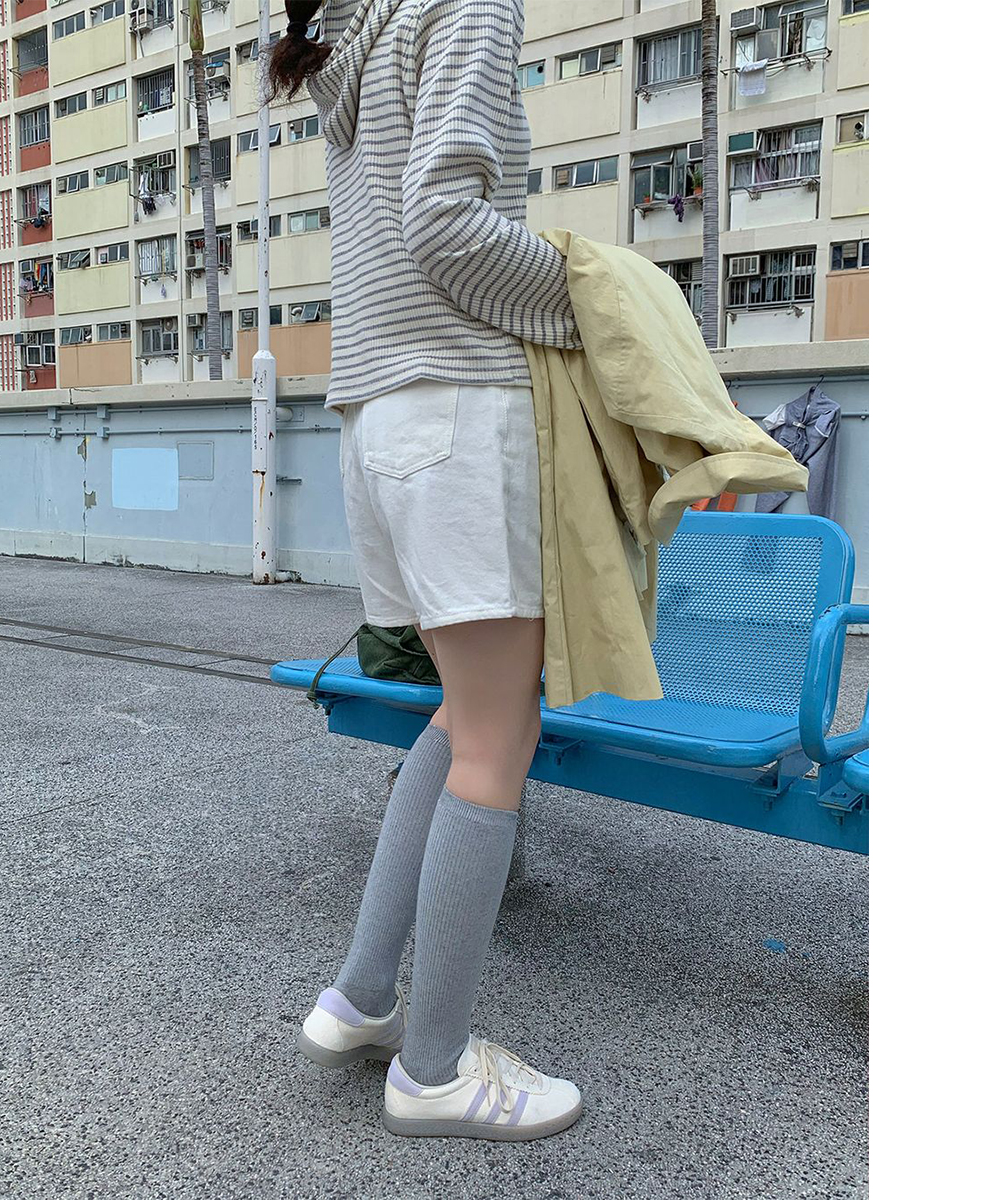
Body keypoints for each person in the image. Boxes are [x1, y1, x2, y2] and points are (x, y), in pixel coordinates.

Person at [268, 0, 584, 1141]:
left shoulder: (354, 33)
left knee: (461, 715)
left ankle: (361, 997)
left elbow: (401, 226)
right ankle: (437, 1072)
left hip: (376, 417)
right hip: (457, 403)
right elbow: (446, 221)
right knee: (499, 736)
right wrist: (595, 296)